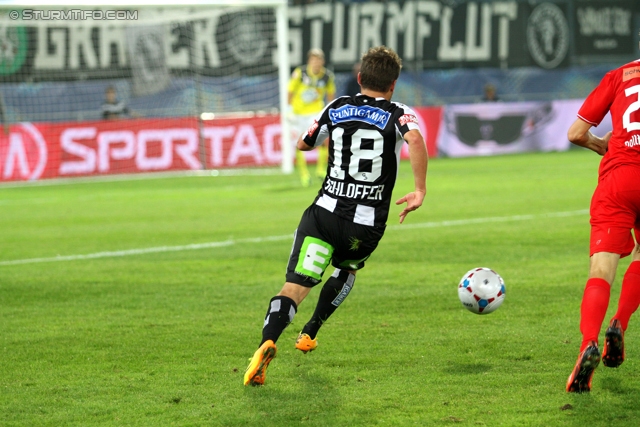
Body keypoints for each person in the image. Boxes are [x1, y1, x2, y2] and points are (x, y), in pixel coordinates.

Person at [244, 46, 428, 386]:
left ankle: (267, 342)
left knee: (295, 286)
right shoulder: (399, 112)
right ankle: (311, 330)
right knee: (347, 267)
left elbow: (304, 143)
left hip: (323, 213)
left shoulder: (339, 106)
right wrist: (419, 190)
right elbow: (414, 140)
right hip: (365, 222)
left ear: (359, 79)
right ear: (393, 84)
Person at [565, 54, 640, 393]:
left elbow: (576, 133)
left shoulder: (619, 75)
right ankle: (619, 324)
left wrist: (601, 146)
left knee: (601, 269)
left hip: (618, 177)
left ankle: (588, 347)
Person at [288, 48, 336, 187]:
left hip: (315, 112)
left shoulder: (327, 76)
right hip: (298, 114)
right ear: (309, 61)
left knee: (323, 139)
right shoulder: (300, 74)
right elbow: (290, 91)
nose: (316, 63)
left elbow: (331, 95)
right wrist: (288, 108)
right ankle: (304, 175)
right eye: (313, 60)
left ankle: (321, 170)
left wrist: (330, 109)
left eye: (318, 60)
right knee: (299, 143)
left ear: (322, 61)